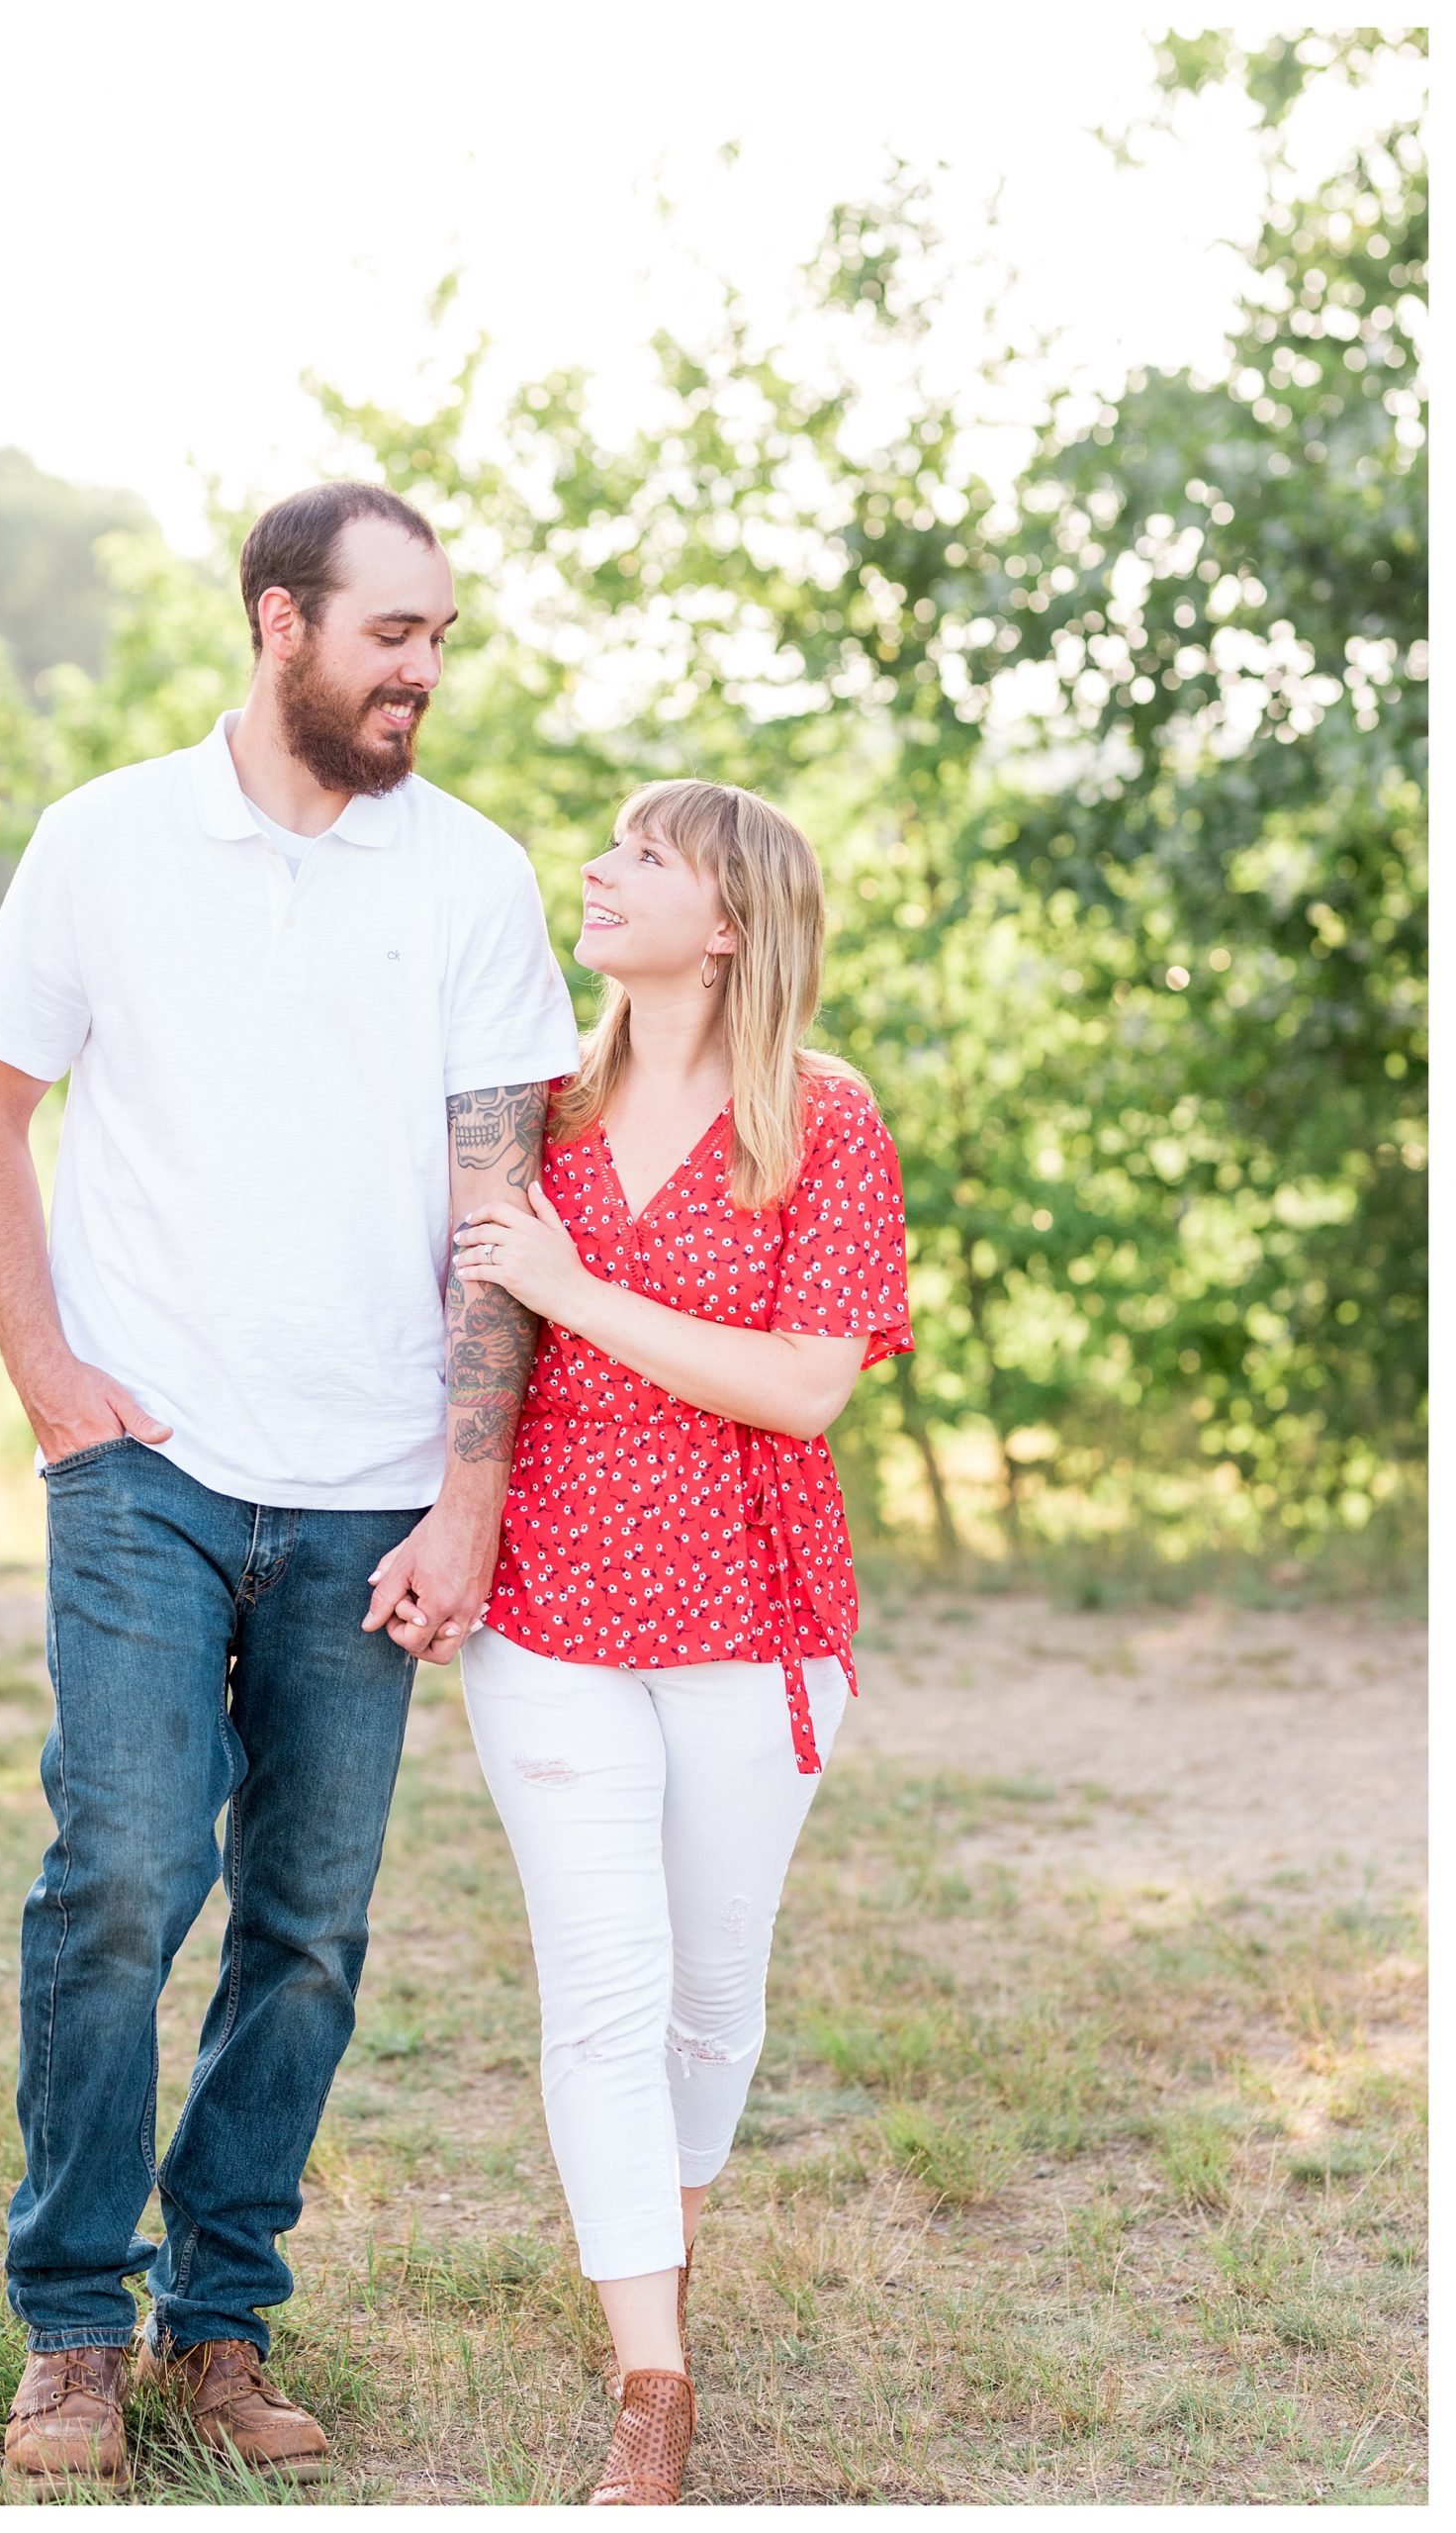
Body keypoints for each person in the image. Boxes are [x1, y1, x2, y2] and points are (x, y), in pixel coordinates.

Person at [0, 482, 579, 2494]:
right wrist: (54, 1381)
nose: (424, 670)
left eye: (443, 636)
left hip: (378, 1485)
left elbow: (503, 1205)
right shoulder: (106, 841)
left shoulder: (471, 877)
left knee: (307, 1921)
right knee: (120, 1878)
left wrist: (465, 1498)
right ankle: (70, 2328)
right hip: (152, 1464)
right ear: (277, 621)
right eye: (393, 631)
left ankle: (221, 2318)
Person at [451, 779, 913, 2506]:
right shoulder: (534, 1113)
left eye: (645, 856)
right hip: (551, 1608)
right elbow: (461, 1342)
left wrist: (579, 1290)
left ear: (728, 923)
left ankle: (665, 2244)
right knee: (604, 1987)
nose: (599, 868)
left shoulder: (823, 1118)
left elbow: (804, 1387)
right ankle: (655, 2387)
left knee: (713, 2001)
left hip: (754, 1616)